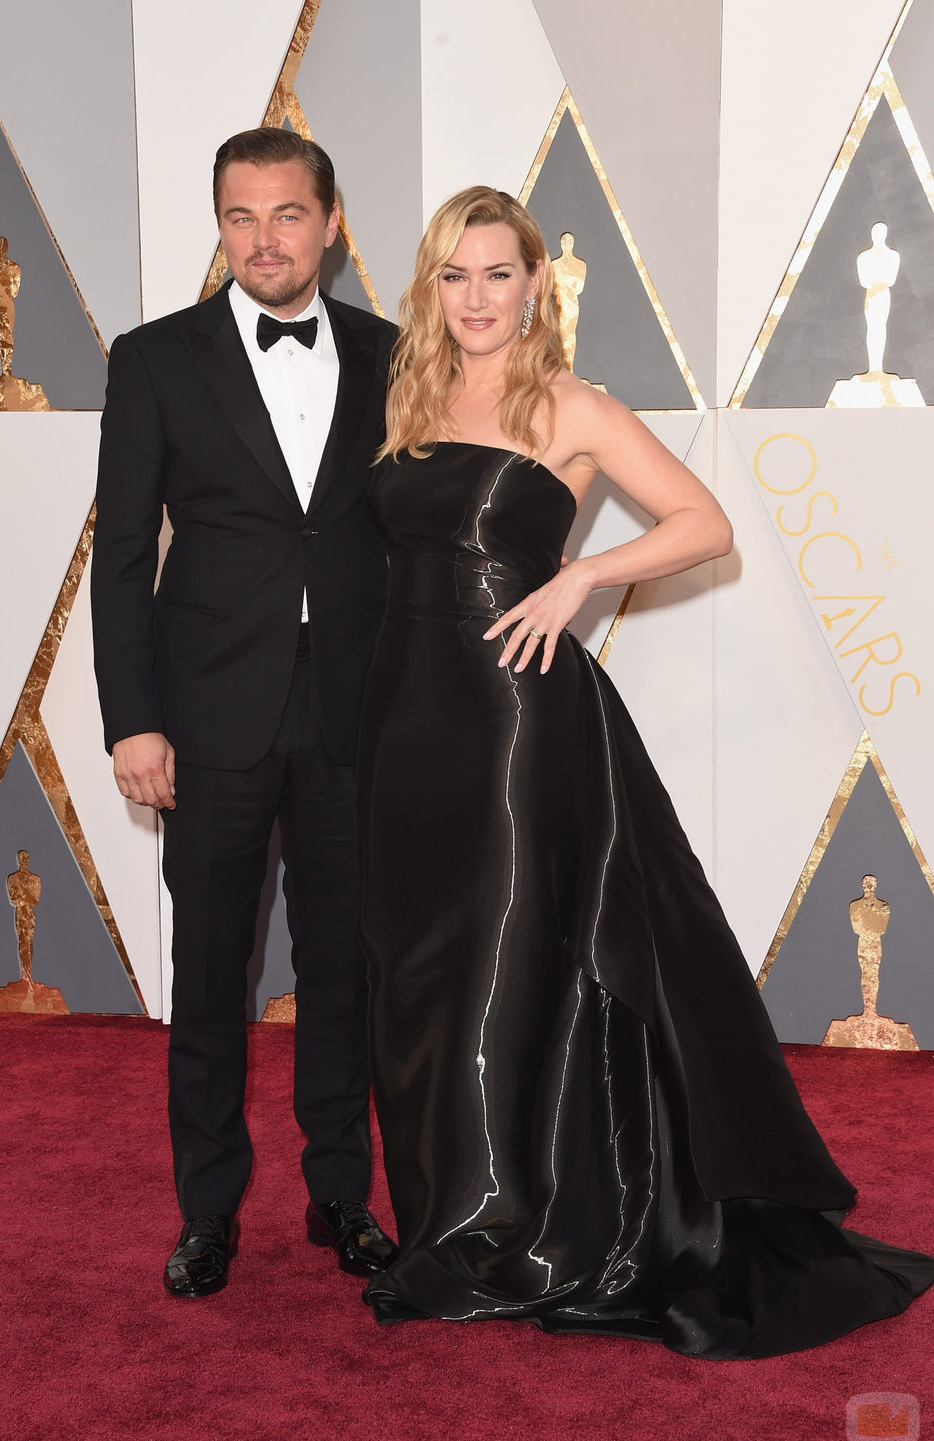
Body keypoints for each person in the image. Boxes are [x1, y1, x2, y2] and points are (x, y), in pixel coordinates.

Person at [355, 186, 934, 1357]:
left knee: (504, 977)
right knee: (420, 978)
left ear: (534, 285)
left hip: (519, 726)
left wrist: (578, 579)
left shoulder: (569, 404)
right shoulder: (409, 396)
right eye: (454, 276)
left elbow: (703, 520)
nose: (475, 297)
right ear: (434, 287)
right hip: (410, 726)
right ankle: (447, 1220)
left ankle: (499, 1233)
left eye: (497, 274)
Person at [91, 128, 397, 1298]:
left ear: (328, 220)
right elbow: (121, 555)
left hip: (351, 720)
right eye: (239, 216)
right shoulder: (155, 358)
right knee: (212, 974)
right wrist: (133, 721)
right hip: (208, 719)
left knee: (343, 974)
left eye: (285, 214)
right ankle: (208, 1208)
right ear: (217, 224)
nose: (262, 239)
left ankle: (338, 1196)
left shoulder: (389, 351)